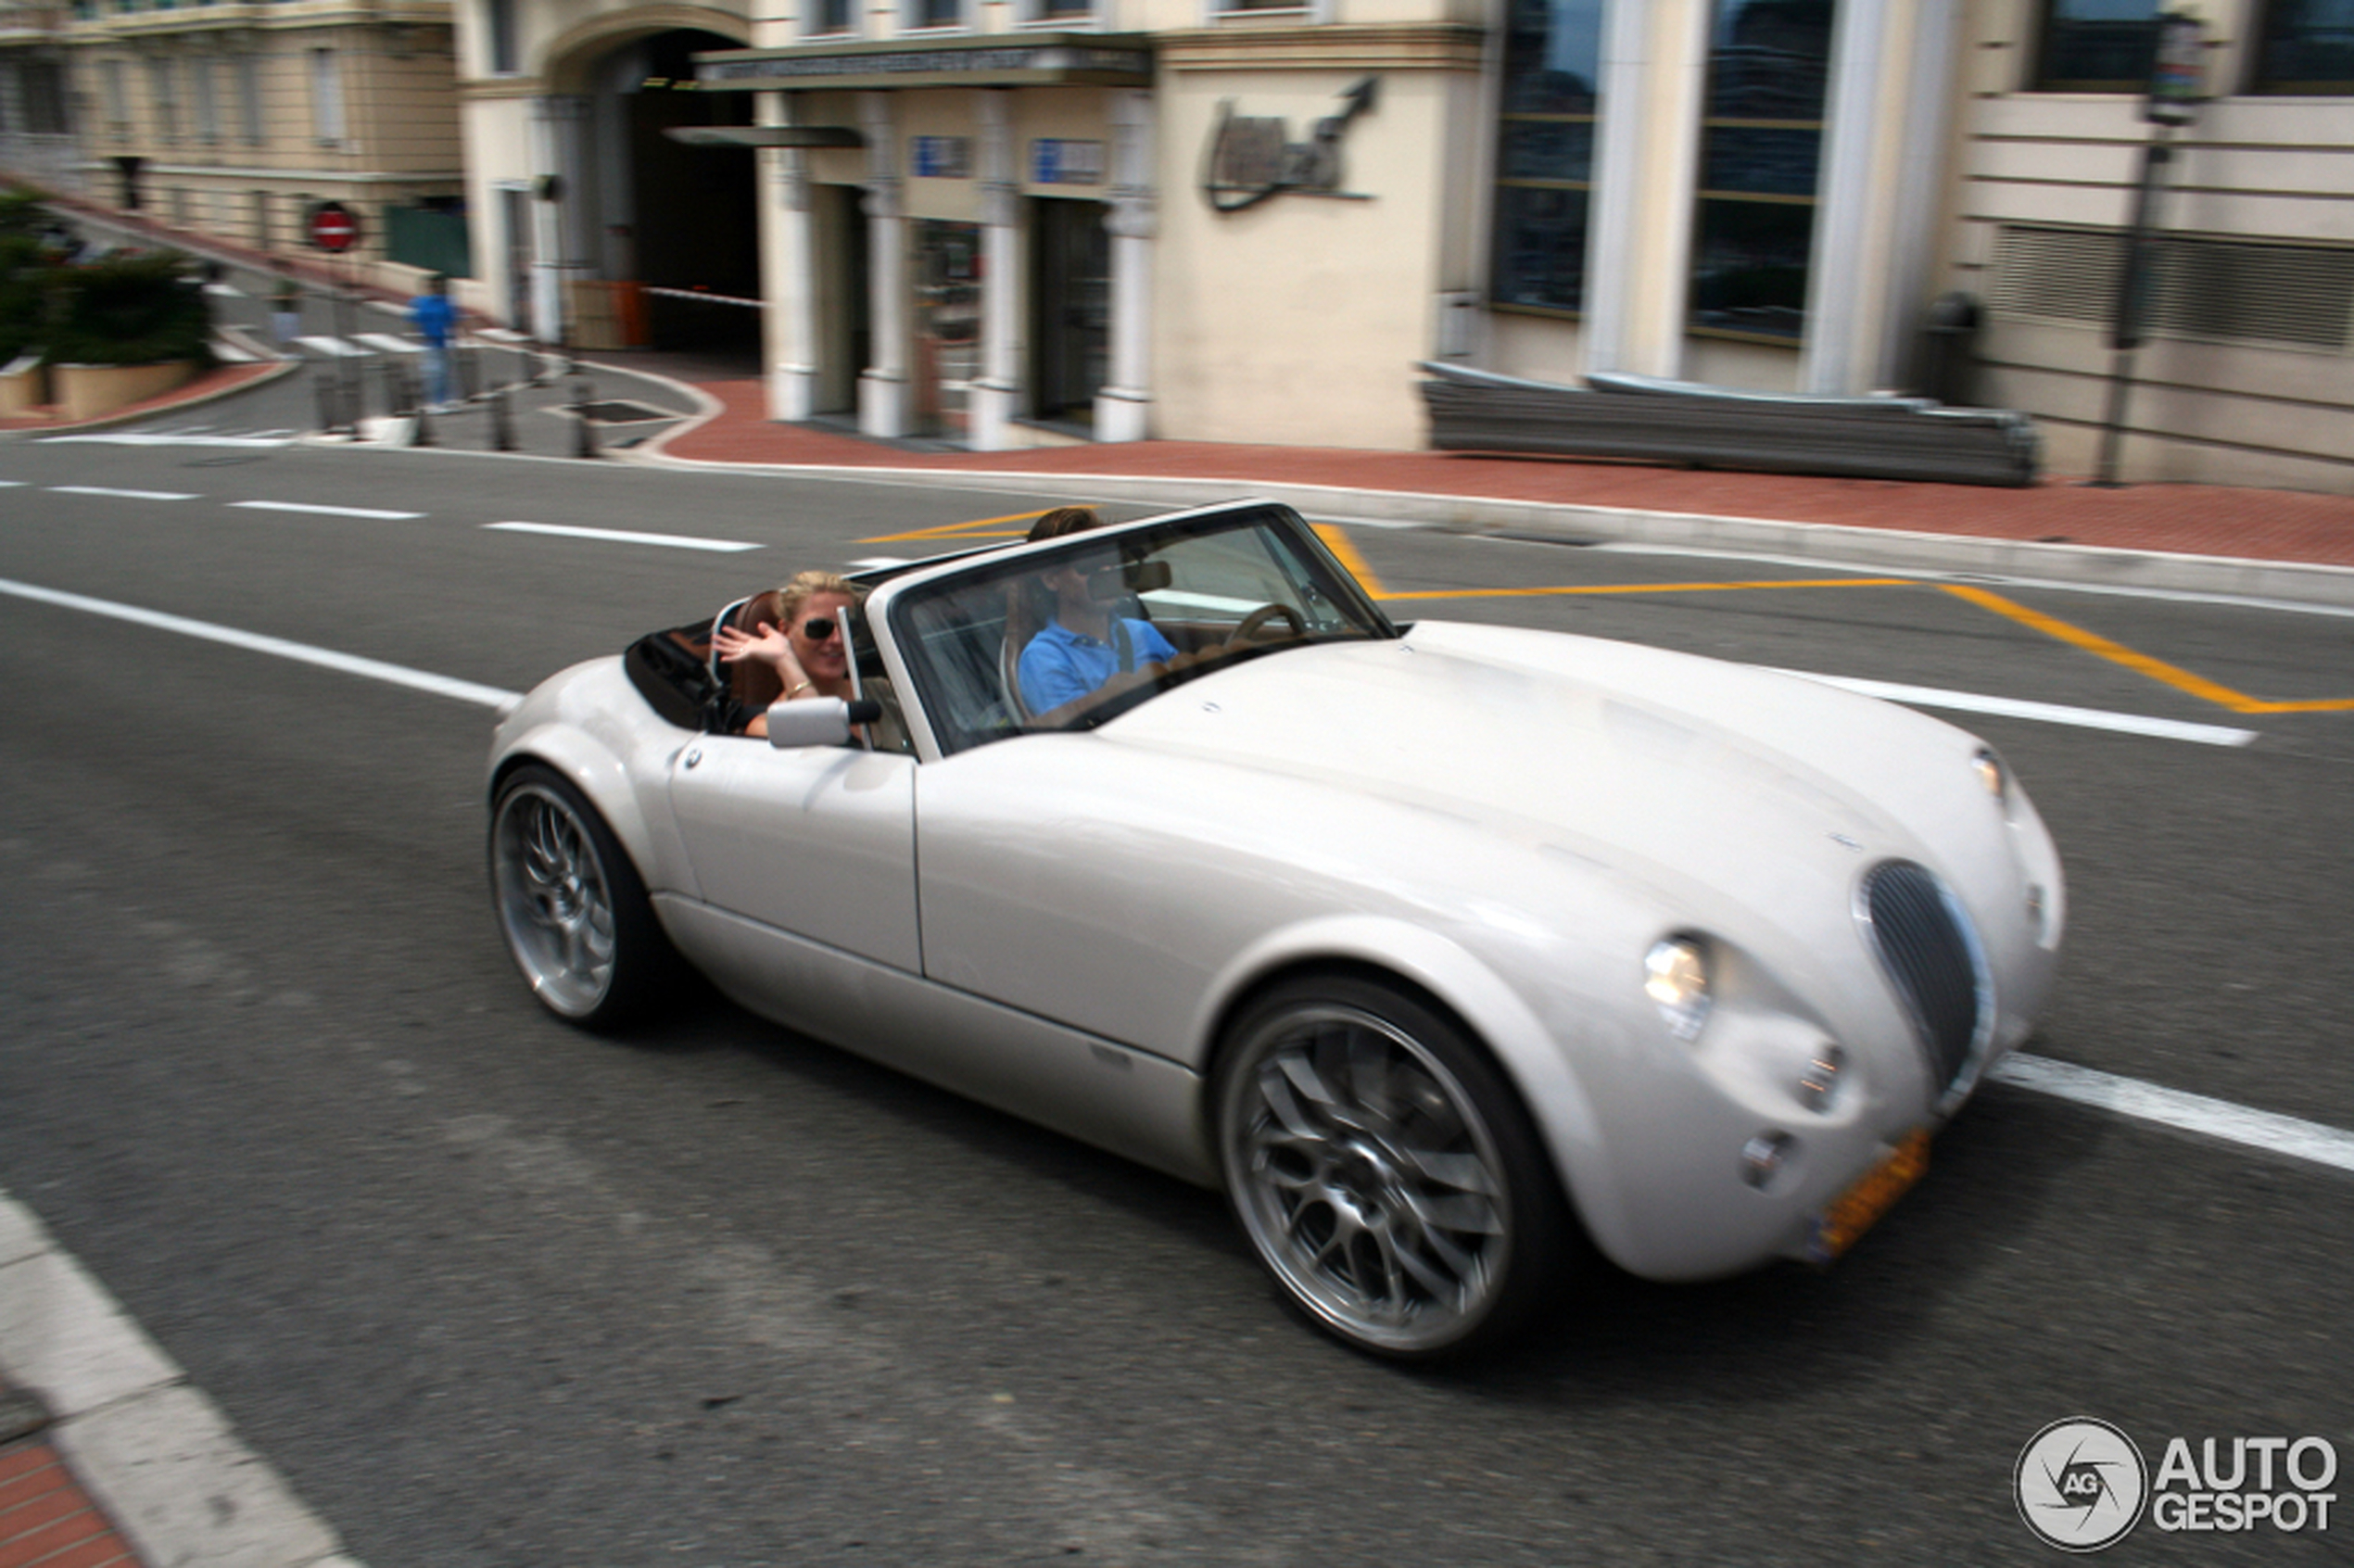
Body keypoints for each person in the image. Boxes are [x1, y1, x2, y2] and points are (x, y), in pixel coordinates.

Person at [1017, 544, 1177, 714]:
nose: (1106, 574)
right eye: (1089, 566)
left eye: (1111, 563)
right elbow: (1078, 731)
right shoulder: (1044, 657)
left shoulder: (1143, 632)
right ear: (1051, 579)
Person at [713, 570, 858, 739]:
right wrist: (784, 659)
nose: (838, 639)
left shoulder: (882, 690)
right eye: (819, 627)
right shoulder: (766, 725)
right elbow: (821, 734)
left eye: (849, 627)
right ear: (785, 631)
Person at [410, 272, 457, 410]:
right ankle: (435, 401)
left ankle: (445, 399)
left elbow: (452, 320)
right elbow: (415, 319)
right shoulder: (423, 302)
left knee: (444, 372)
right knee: (434, 373)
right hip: (430, 340)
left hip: (444, 341)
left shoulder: (446, 302)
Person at [269, 259, 301, 351]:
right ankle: (285, 352)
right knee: (281, 334)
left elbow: (297, 295)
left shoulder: (291, 281)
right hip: (279, 310)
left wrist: (279, 298)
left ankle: (294, 352)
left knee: (291, 334)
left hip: (289, 311)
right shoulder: (279, 280)